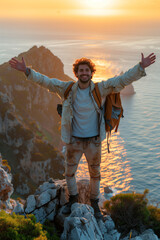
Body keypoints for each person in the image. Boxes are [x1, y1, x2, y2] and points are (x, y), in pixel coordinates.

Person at [9, 52, 156, 218]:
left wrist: (140, 67)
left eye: (87, 70)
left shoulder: (100, 89)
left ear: (92, 73)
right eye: (81, 70)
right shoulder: (67, 89)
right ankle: (72, 200)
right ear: (76, 73)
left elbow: (122, 80)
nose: (84, 73)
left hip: (94, 141)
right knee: (69, 173)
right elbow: (46, 82)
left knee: (95, 174)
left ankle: (94, 204)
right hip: (74, 141)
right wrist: (27, 71)